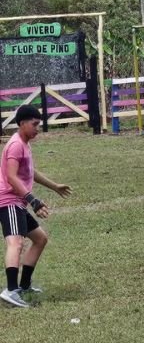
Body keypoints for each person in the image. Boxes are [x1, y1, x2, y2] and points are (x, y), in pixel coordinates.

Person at [0, 105, 72, 308]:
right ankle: (11, 291)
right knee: (15, 243)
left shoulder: (24, 144)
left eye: (38, 124)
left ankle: (23, 285)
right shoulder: (15, 145)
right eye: (34, 124)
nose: (37, 128)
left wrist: (55, 186)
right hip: (8, 201)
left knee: (40, 239)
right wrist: (33, 200)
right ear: (22, 123)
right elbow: (11, 177)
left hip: (18, 202)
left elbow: (30, 172)